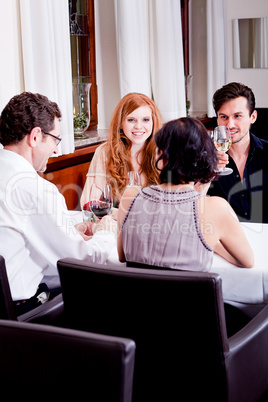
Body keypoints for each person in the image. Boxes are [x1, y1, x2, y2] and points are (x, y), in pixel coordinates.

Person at [0, 92, 116, 311]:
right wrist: (107, 231)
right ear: (35, 136)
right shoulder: (35, 188)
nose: (55, 149)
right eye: (55, 139)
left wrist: (68, 233)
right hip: (20, 314)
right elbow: (82, 261)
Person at [117, 117, 254, 271]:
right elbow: (247, 261)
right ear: (205, 157)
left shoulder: (130, 196)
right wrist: (213, 244)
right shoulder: (217, 208)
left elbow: (122, 255)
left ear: (160, 156)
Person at [80, 92, 162, 210]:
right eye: (131, 120)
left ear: (153, 123)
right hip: (119, 223)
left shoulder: (163, 152)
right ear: (120, 123)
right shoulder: (105, 152)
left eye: (145, 119)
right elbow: (89, 201)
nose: (139, 126)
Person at [208, 82, 268, 223]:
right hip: (224, 241)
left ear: (252, 117)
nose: (229, 125)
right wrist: (207, 174)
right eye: (223, 117)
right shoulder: (204, 158)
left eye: (237, 116)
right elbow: (192, 205)